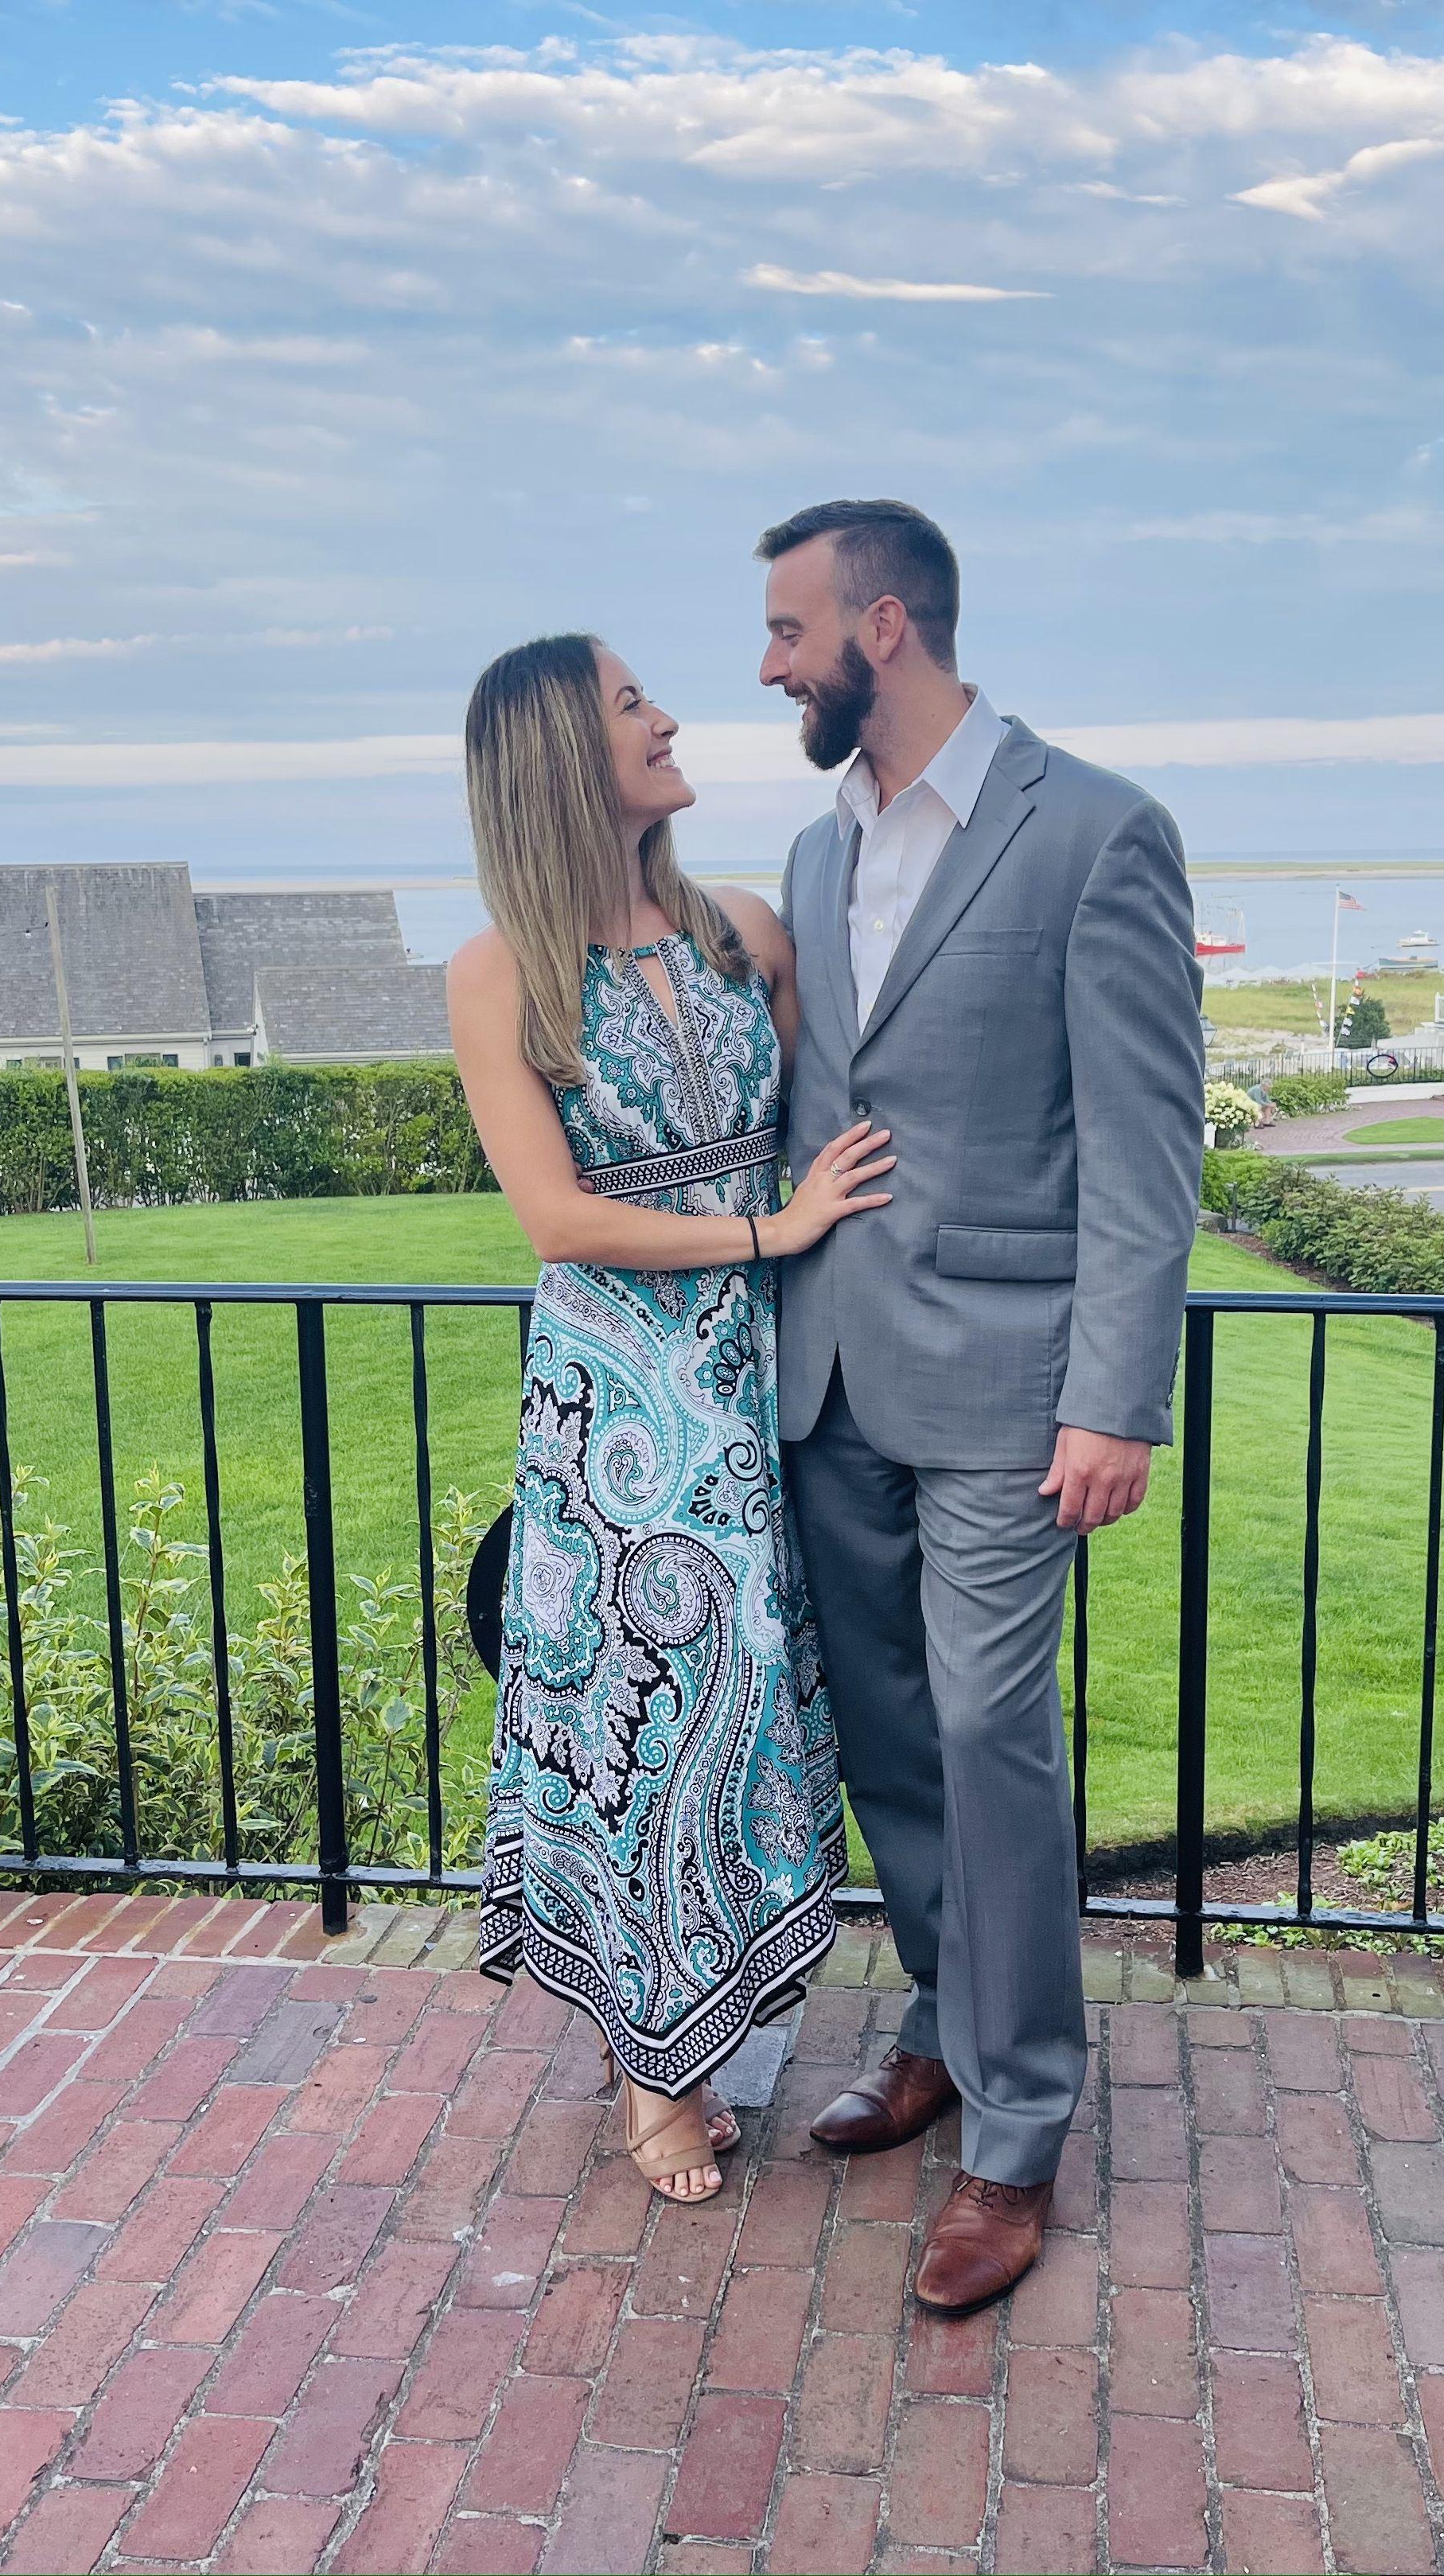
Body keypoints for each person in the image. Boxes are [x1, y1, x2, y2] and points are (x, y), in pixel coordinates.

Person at [758, 500, 1206, 2311]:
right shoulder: (808, 848)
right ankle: (943, 2021)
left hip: (1015, 1390)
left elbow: (1145, 1141)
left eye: (785, 628)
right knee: (891, 1743)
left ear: (881, 626)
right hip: (832, 1371)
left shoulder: (1093, 829)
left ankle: (1017, 2130)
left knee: (989, 1734)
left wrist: (1116, 1395)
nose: (766, 662)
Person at [446, 633, 895, 2203]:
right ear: (563, 751)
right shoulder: (499, 969)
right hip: (617, 1408)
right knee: (645, 1732)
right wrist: (771, 1230)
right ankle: (653, 2065)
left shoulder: (743, 935)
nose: (667, 716)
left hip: (761, 1385)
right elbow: (556, 1217)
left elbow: (860, 1089)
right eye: (633, 703)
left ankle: (697, 2019)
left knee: (758, 1713)